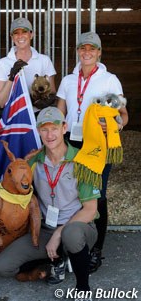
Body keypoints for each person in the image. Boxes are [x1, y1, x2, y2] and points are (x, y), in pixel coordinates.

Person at [0, 107, 100, 300]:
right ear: (38, 131)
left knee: (71, 234)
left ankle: (83, 289)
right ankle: (58, 259)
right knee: (3, 266)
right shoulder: (34, 160)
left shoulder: (83, 161)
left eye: (54, 128)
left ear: (64, 128)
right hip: (46, 229)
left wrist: (59, 234)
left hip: (79, 227)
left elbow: (90, 210)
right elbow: (4, 185)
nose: (49, 134)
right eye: (44, 129)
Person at [56, 31, 129, 273]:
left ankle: (96, 249)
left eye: (92, 49)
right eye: (83, 48)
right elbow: (59, 113)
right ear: (78, 51)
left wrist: (114, 125)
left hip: (98, 144)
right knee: (74, 191)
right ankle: (73, 241)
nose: (87, 53)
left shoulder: (109, 80)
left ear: (99, 53)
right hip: (72, 142)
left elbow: (123, 115)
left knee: (97, 194)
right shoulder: (68, 80)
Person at [0, 17, 56, 111]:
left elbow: (52, 93)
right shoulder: (2, 63)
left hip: (37, 116)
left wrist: (43, 102)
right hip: (14, 116)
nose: (20, 36)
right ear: (12, 37)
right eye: (16, 33)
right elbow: (1, 102)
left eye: (24, 32)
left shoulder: (44, 60)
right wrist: (11, 78)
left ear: (31, 34)